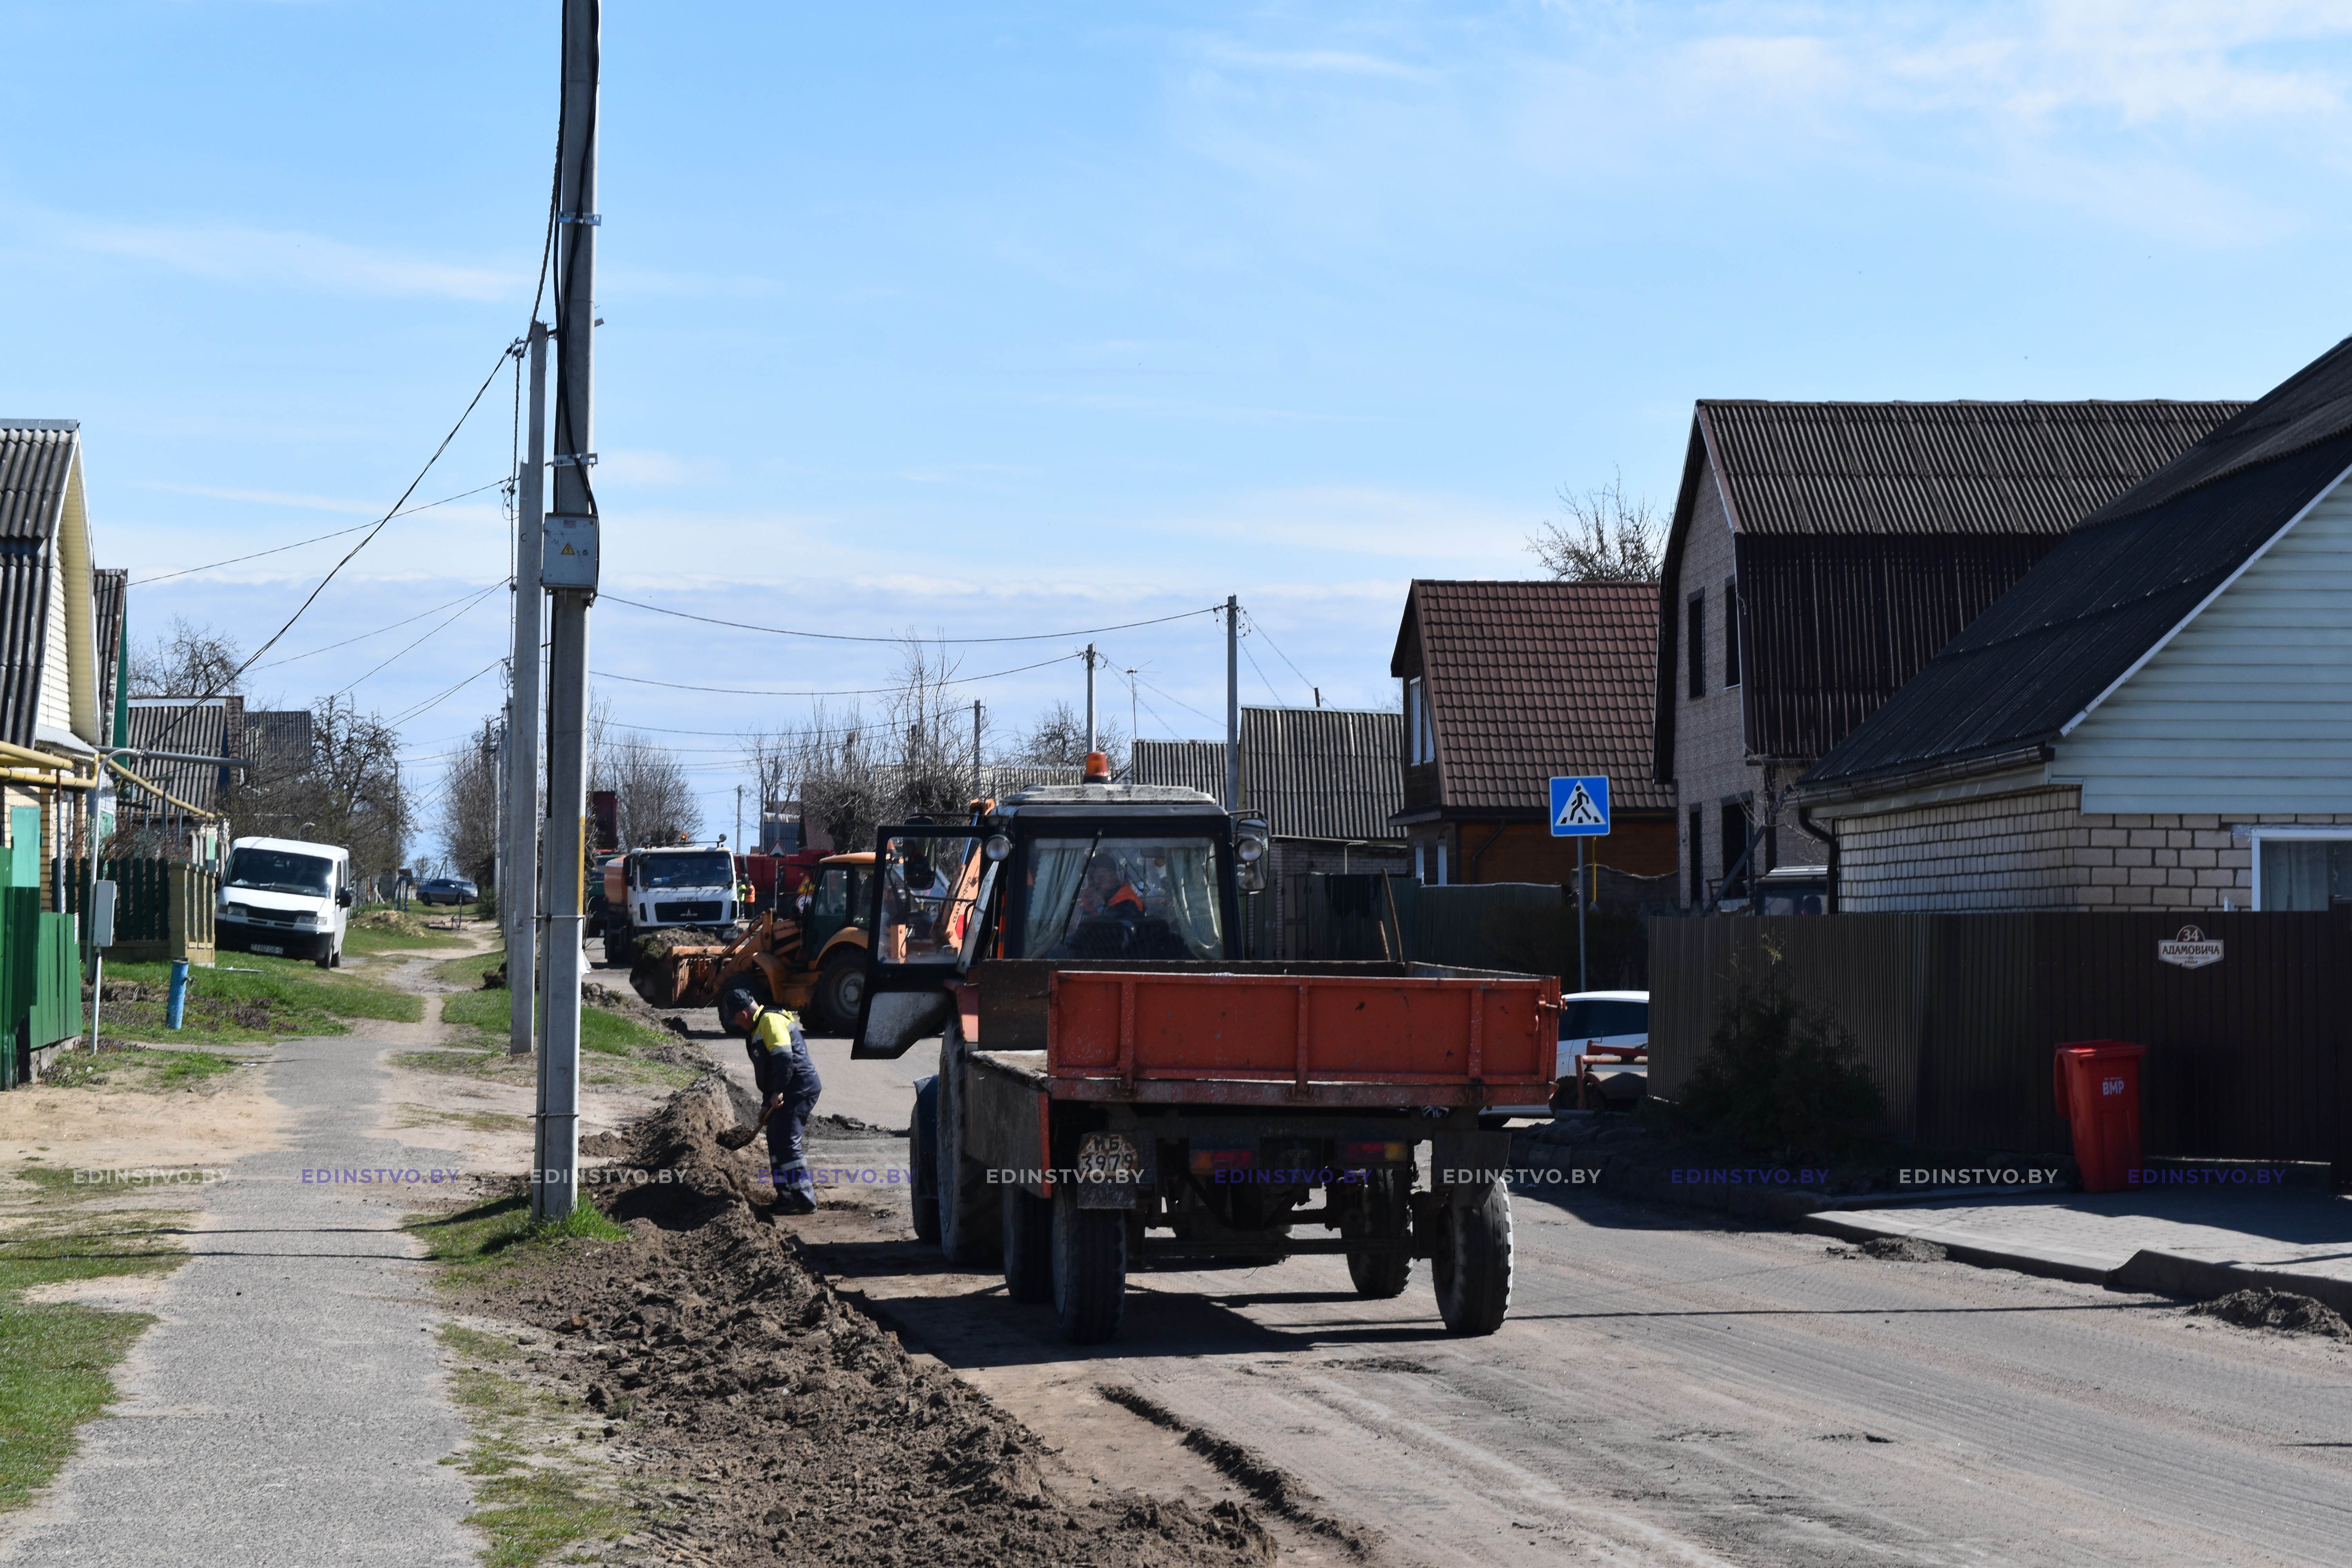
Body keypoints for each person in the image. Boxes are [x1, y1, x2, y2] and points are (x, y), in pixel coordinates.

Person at [723, 985, 821, 1215]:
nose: (737, 1024)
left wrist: (777, 1092)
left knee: (787, 1141)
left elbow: (784, 1061)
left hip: (798, 1088)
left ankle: (804, 1198)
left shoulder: (770, 1022)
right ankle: (786, 1196)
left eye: (736, 1019)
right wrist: (767, 1103)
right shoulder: (758, 1027)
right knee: (776, 1141)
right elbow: (769, 1071)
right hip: (784, 1089)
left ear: (744, 1014)